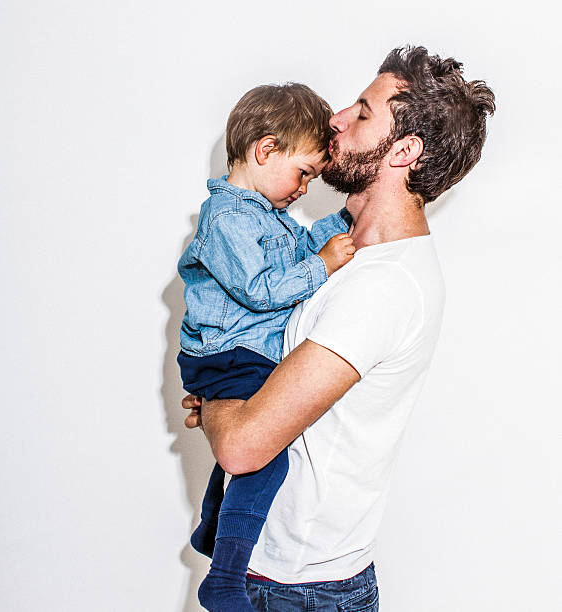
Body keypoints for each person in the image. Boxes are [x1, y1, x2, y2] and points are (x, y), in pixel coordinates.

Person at [183, 45, 496, 611]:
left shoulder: (383, 285)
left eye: (363, 111)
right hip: (279, 573)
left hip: (300, 591)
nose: (337, 119)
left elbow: (242, 446)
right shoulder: (346, 254)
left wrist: (217, 407)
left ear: (404, 150)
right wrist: (230, 394)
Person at [177, 83, 356, 611]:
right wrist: (324, 264)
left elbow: (299, 245)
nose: (304, 189)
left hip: (236, 355)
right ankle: (226, 579)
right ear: (265, 149)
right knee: (266, 457)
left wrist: (345, 221)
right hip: (228, 354)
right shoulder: (228, 219)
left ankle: (214, 528)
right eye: (303, 173)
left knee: (246, 452)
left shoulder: (264, 215)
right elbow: (261, 291)